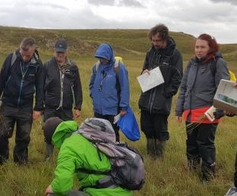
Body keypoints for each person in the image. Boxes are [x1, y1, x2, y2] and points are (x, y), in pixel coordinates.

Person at [175, 33, 230, 183]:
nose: (199, 50)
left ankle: (208, 177)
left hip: (208, 114)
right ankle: (192, 172)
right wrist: (179, 110)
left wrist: (217, 112)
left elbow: (224, 89)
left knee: (205, 145)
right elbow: (184, 88)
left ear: (210, 47)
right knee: (191, 144)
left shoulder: (218, 63)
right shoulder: (191, 64)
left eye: (202, 47)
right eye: (197, 47)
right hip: (190, 113)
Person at [43, 117, 132, 196]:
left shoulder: (68, 146)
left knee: (53, 194)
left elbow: (62, 184)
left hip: (103, 192)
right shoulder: (84, 134)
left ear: (54, 138)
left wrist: (53, 188)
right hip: (122, 190)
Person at [0, 37, 44, 165]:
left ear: (33, 51)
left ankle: (20, 162)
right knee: (2, 134)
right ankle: (1, 162)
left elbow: (40, 87)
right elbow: (1, 80)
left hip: (25, 106)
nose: (25, 58)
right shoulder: (11, 59)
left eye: (28, 56)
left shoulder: (38, 64)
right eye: (23, 54)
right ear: (20, 49)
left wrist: (38, 108)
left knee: (23, 137)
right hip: (8, 104)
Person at [138, 24, 183, 159]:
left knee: (160, 131)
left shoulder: (175, 55)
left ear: (165, 38)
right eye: (153, 40)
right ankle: (150, 155)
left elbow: (178, 77)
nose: (154, 43)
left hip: (161, 101)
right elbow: (144, 70)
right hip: (147, 99)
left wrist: (166, 93)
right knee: (147, 128)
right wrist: (144, 73)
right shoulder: (150, 52)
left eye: (157, 41)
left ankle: (159, 157)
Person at [42, 39, 83, 160]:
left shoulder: (73, 67)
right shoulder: (47, 66)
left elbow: (77, 87)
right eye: (57, 52)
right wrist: (40, 105)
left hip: (66, 107)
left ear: (66, 52)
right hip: (50, 106)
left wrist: (78, 106)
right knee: (49, 131)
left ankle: (66, 157)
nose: (59, 55)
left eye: (62, 52)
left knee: (67, 132)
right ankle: (48, 158)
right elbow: (40, 86)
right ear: (54, 51)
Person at [89, 43, 130, 142]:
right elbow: (91, 84)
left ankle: (115, 155)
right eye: (100, 58)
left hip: (113, 110)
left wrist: (123, 107)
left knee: (113, 134)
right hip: (98, 110)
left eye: (104, 58)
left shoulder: (118, 67)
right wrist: (94, 96)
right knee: (99, 134)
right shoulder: (96, 67)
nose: (102, 60)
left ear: (109, 56)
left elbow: (125, 88)